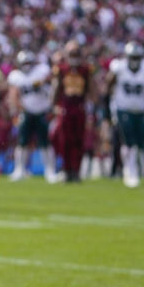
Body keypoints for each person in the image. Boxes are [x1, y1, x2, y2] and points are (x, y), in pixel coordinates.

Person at [105, 42, 144, 188]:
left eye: (137, 57)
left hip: (140, 110)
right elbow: (107, 87)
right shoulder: (119, 67)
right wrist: (107, 111)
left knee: (140, 142)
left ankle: (133, 170)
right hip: (123, 108)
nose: (135, 60)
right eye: (133, 57)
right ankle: (130, 171)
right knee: (128, 141)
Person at [6, 50, 56, 182]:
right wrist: (19, 109)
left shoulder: (42, 71)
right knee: (22, 142)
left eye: (29, 62)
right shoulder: (16, 76)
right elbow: (13, 95)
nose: (27, 65)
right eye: (24, 63)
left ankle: (49, 171)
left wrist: (44, 83)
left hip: (42, 110)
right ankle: (19, 170)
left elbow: (53, 79)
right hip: (26, 112)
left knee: (45, 142)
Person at [51, 41, 93, 183]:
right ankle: (66, 169)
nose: (74, 57)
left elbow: (90, 89)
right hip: (65, 107)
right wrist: (54, 105)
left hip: (79, 107)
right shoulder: (61, 69)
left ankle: (76, 170)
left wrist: (92, 105)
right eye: (72, 54)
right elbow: (57, 89)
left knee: (78, 139)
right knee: (64, 140)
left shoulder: (86, 70)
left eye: (76, 54)